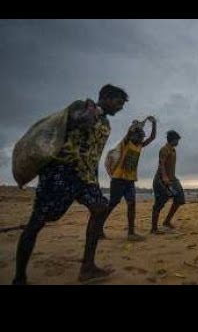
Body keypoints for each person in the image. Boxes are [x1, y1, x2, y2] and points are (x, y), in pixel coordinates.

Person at [12, 84, 128, 285]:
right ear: (107, 97)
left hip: (86, 177)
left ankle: (87, 267)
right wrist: (92, 112)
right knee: (37, 222)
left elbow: (93, 154)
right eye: (118, 103)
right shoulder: (81, 106)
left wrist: (95, 180)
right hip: (61, 172)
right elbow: (77, 121)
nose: (120, 108)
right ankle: (19, 278)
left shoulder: (106, 124)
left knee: (100, 208)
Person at [101, 116, 157, 241]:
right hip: (118, 179)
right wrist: (137, 125)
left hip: (130, 180)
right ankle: (98, 228)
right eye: (139, 136)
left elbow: (152, 138)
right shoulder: (126, 143)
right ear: (133, 136)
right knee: (112, 204)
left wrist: (153, 124)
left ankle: (131, 233)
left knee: (131, 204)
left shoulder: (139, 146)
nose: (141, 138)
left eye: (142, 137)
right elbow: (130, 132)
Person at [151, 130, 185, 233]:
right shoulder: (164, 149)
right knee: (159, 204)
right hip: (161, 180)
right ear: (173, 140)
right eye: (177, 140)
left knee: (179, 199)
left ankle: (167, 221)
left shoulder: (173, 150)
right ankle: (153, 228)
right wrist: (165, 178)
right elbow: (161, 164)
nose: (178, 142)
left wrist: (172, 179)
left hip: (173, 179)